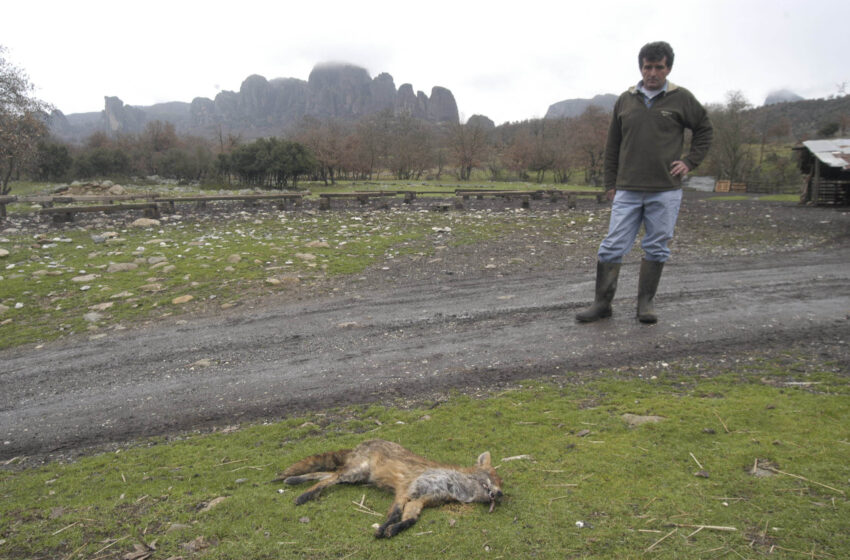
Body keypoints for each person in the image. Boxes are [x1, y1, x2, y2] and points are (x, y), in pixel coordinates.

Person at [576, 41, 713, 324]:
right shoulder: (625, 100)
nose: (652, 73)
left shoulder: (681, 98)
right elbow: (612, 144)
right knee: (613, 245)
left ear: (668, 68)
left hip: (665, 189)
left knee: (657, 246)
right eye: (647, 67)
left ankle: (645, 304)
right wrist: (609, 183)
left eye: (658, 67)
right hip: (626, 188)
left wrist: (690, 161)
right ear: (641, 67)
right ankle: (602, 304)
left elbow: (704, 129)